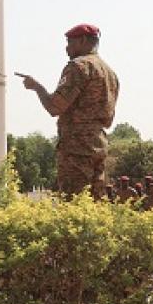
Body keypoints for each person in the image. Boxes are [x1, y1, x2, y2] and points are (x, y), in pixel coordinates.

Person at [18, 23, 119, 199]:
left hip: (77, 148)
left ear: (83, 41)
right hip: (98, 145)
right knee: (95, 204)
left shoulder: (79, 67)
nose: (67, 48)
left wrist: (37, 87)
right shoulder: (109, 73)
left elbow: (54, 107)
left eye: (70, 42)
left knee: (73, 203)